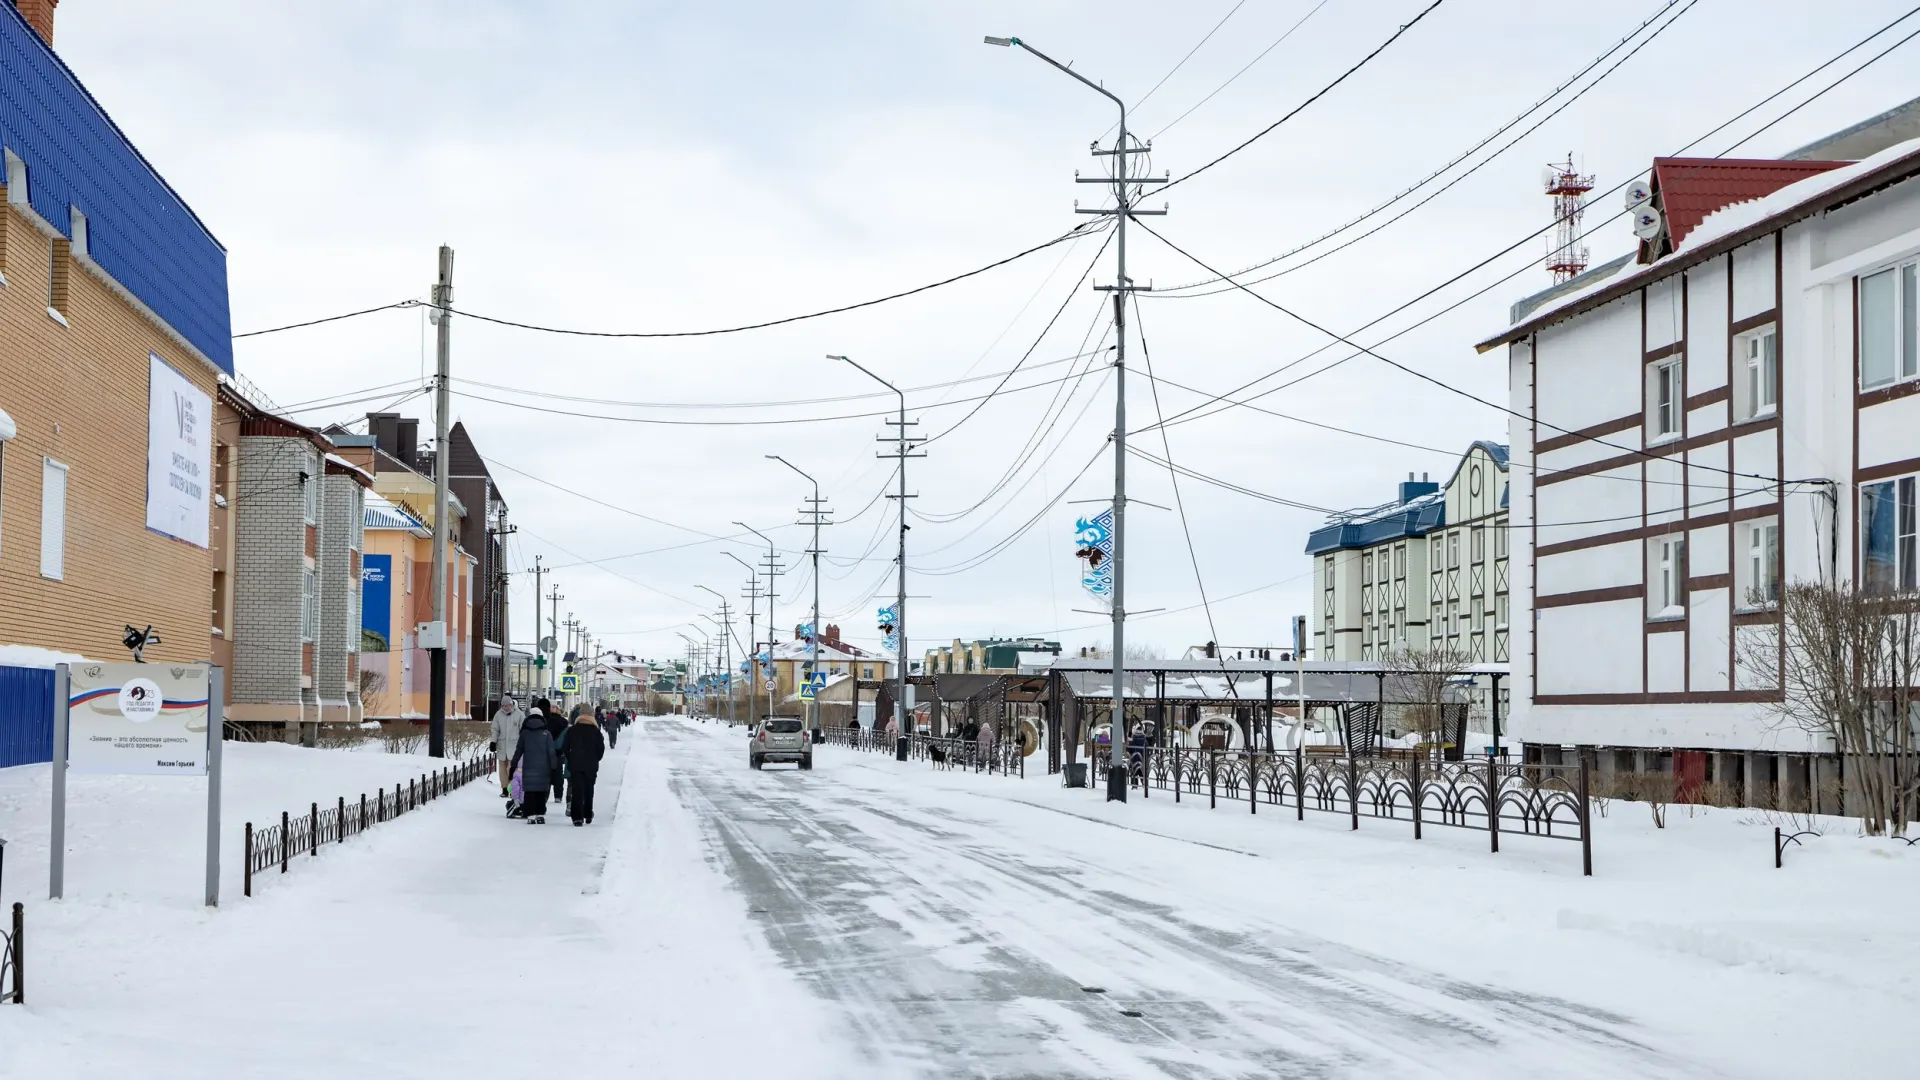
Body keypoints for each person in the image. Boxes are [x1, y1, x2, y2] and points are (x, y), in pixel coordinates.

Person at [510, 711, 559, 824]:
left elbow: (518, 751)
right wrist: (554, 768)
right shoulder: (547, 734)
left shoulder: (524, 734)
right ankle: (540, 815)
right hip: (543, 768)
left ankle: (530, 815)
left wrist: (513, 766)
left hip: (528, 768)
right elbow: (551, 753)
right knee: (541, 792)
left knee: (529, 792)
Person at [564, 704, 607, 826]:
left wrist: (571, 759)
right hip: (591, 766)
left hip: (576, 765)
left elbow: (565, 748)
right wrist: (595, 759)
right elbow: (601, 749)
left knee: (577, 790)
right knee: (589, 789)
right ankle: (588, 814)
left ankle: (577, 817)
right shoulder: (596, 731)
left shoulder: (572, 730)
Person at [488, 696, 523, 798]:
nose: (506, 708)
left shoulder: (519, 715)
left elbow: (523, 730)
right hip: (502, 746)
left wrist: (522, 744)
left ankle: (513, 789)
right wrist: (493, 742)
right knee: (502, 768)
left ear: (511, 705)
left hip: (514, 746)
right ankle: (504, 789)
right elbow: (495, 729)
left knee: (512, 768)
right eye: (504, 706)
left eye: (507, 705)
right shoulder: (498, 715)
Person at [544, 702, 570, 802]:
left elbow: (565, 736)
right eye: (550, 706)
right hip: (547, 751)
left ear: (558, 708)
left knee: (558, 773)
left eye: (554, 707)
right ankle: (546, 795)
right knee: (547, 774)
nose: (552, 708)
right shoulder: (544, 719)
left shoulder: (563, 721)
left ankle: (558, 795)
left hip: (558, 752)